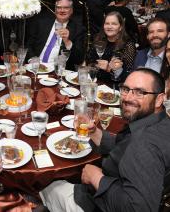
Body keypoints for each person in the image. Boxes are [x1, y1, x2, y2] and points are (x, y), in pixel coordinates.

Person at [40, 68, 170, 211]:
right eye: (125, 89)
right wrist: (95, 133)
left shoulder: (145, 145)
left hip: (97, 205)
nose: (127, 98)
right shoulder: (158, 123)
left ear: (159, 99)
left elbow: (138, 208)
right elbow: (125, 146)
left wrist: (96, 178)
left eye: (140, 92)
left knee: (47, 185)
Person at [26, 0, 85, 70]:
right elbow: (29, 44)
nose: (62, 10)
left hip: (57, 70)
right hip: (36, 65)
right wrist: (32, 59)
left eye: (66, 8)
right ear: (55, 9)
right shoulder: (41, 23)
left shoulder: (78, 29)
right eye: (59, 7)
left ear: (71, 10)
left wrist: (67, 41)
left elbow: (78, 60)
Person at [87, 11, 136, 83]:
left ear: (120, 27)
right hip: (94, 82)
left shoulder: (128, 45)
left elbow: (128, 75)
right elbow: (89, 61)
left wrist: (109, 69)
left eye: (114, 24)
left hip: (113, 87)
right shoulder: (98, 39)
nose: (109, 27)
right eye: (107, 23)